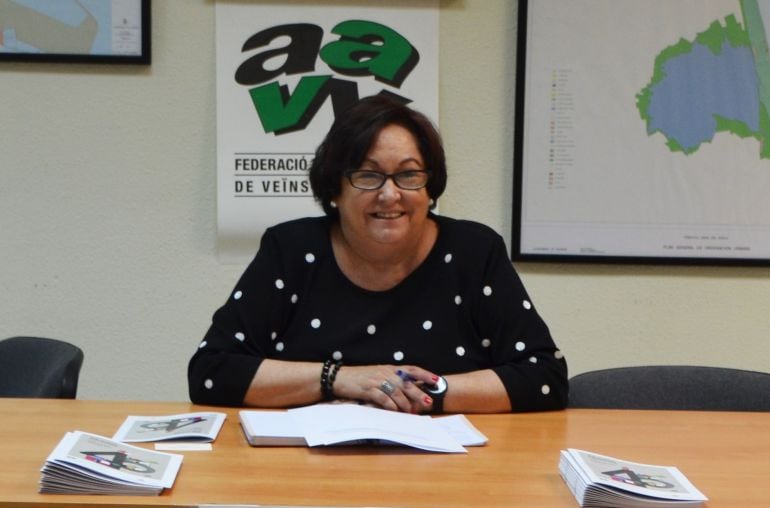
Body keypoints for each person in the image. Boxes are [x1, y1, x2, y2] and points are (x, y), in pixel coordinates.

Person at [188, 95, 568, 413]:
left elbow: (544, 377)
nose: (390, 195)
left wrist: (423, 392)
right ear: (334, 189)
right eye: (368, 176)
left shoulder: (473, 252)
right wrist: (339, 379)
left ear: (430, 187)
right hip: (308, 473)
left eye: (408, 175)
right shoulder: (291, 250)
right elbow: (212, 373)